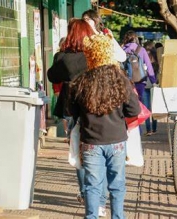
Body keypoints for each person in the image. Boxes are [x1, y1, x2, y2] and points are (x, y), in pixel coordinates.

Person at [69, 28, 140, 218]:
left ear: (89, 55)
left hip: (91, 141)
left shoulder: (80, 82)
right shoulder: (120, 80)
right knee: (117, 185)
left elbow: (72, 113)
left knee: (92, 185)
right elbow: (134, 111)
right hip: (117, 140)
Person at [47, 19, 107, 216]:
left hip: (70, 108)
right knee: (98, 152)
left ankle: (85, 194)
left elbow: (52, 77)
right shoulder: (94, 54)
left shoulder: (63, 57)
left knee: (78, 152)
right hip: (94, 106)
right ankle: (100, 201)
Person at [122, 30, 157, 101]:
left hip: (128, 81)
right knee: (140, 101)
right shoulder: (141, 49)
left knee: (130, 102)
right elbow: (149, 66)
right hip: (141, 80)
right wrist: (153, 81)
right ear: (135, 38)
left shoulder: (123, 50)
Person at [142, 41, 158, 136]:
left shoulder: (157, 61)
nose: (147, 53)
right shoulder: (141, 59)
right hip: (145, 86)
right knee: (147, 109)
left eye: (149, 51)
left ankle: (154, 128)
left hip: (153, 87)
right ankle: (149, 130)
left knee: (154, 108)